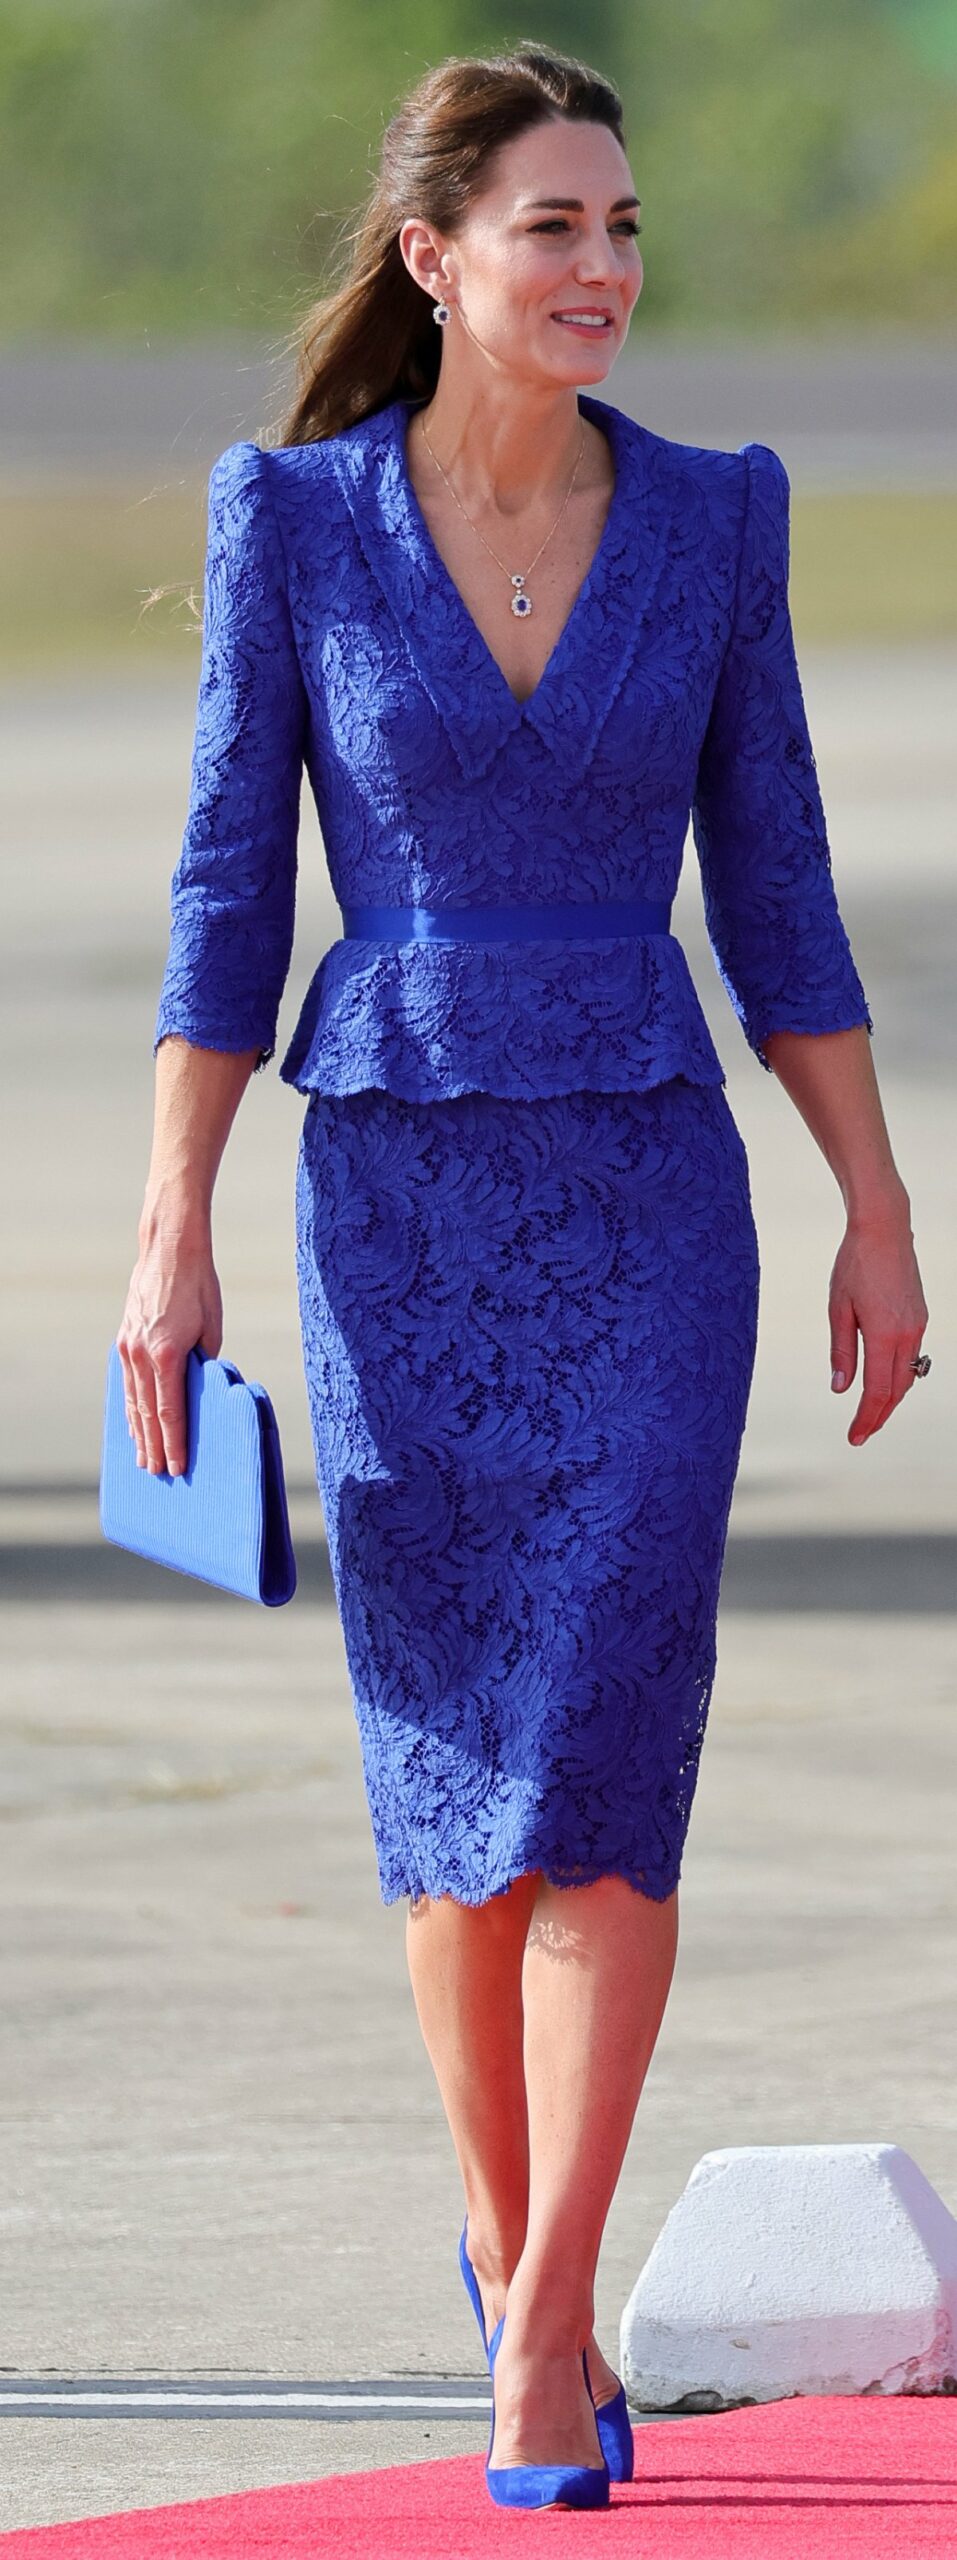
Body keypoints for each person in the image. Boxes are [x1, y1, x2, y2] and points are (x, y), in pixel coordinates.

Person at [118, 42, 930, 2515]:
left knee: (603, 1767)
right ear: (430, 256)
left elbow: (775, 881)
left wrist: (871, 1200)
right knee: (455, 1799)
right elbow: (224, 899)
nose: (601, 267)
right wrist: (168, 1223)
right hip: (390, 1206)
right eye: (551, 225)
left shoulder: (712, 519)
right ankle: (516, 2261)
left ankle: (543, 2311)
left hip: (649, 1201)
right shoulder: (293, 523)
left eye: (623, 226)